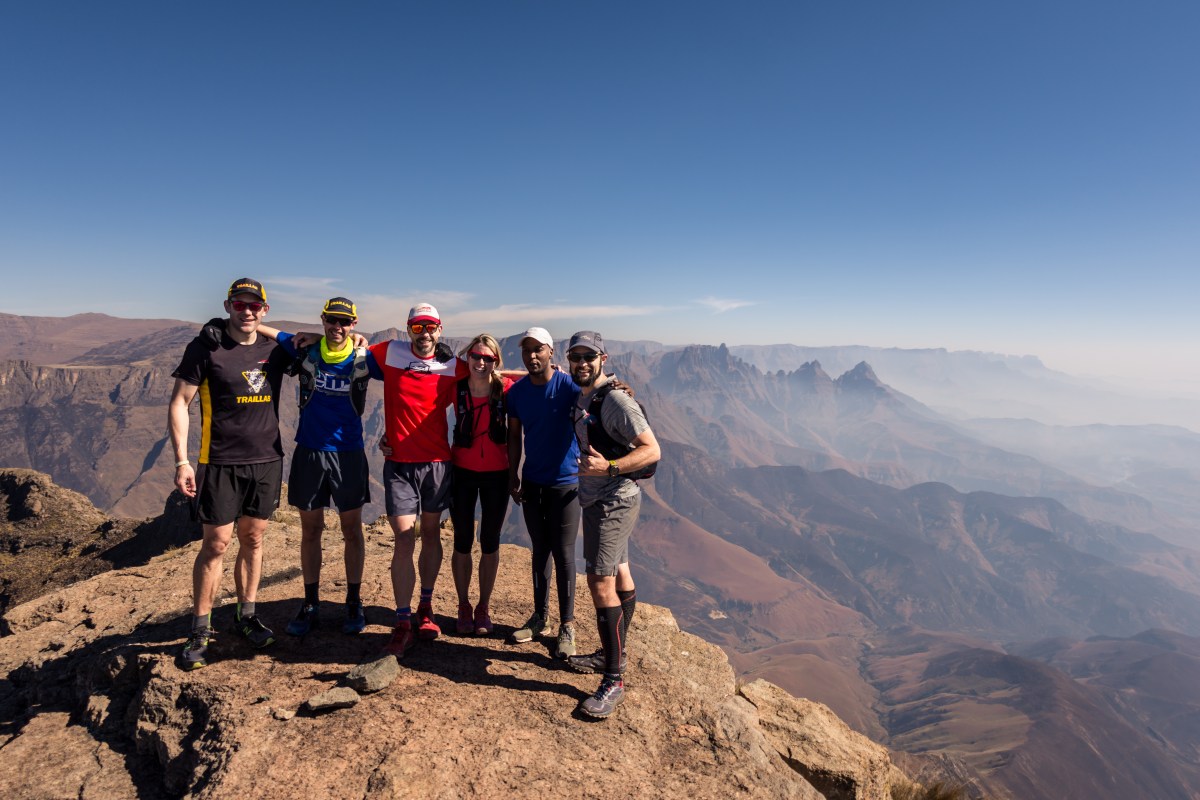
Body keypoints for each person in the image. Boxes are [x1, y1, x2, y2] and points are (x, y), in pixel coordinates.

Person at [168, 278, 292, 670]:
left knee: (253, 538)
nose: (247, 311)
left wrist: (263, 329)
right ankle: (200, 628)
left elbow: (317, 343)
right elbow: (179, 403)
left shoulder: (276, 350)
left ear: (265, 310)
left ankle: (246, 614)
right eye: (240, 305)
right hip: (219, 460)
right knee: (216, 544)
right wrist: (182, 461)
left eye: (255, 306)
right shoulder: (206, 347)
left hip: (266, 459)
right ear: (228, 306)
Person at [565, 331, 661, 719]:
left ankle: (614, 679)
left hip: (613, 500)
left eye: (589, 356)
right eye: (575, 357)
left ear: (603, 358)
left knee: (599, 581)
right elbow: (539, 371)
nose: (582, 363)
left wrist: (609, 467)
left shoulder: (616, 401)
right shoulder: (586, 392)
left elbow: (652, 449)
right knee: (620, 569)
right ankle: (610, 654)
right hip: (600, 499)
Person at [265, 297, 372, 637]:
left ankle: (353, 601)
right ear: (323, 320)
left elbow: (410, 364)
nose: (338, 327)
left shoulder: (364, 356)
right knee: (310, 530)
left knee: (351, 530)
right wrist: (227, 324)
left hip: (348, 453)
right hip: (310, 451)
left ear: (353, 324)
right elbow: (268, 332)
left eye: (345, 322)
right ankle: (311, 603)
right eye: (332, 320)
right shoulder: (306, 349)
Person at [367, 303, 469, 657]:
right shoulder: (388, 352)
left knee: (430, 533)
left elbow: (493, 374)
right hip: (399, 464)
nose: (424, 333)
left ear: (440, 329)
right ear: (407, 328)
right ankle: (402, 620)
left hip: (437, 462)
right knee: (403, 537)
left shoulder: (453, 365)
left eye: (430, 327)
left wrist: (555, 373)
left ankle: (425, 607)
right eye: (417, 327)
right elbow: (343, 349)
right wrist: (296, 337)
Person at [506, 327, 581, 659]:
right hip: (533, 481)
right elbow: (513, 436)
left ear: (552, 352)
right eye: (527, 350)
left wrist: (622, 387)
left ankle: (567, 625)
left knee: (564, 553)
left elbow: (599, 394)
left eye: (538, 349)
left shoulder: (569, 387)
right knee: (540, 550)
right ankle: (540, 618)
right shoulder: (517, 393)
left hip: (566, 483)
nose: (532, 355)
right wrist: (513, 474)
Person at [448, 334, 513, 636]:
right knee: (462, 540)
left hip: (497, 474)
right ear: (468, 357)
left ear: (496, 362)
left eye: (488, 358)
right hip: (461, 472)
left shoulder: (506, 389)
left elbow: (537, 381)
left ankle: (483, 607)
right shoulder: (455, 387)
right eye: (476, 356)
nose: (481, 362)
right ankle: (463, 605)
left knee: (490, 541)